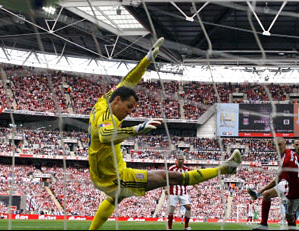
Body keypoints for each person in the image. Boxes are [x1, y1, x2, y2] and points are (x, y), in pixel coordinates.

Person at [87, 38, 242, 230]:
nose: (129, 112)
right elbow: (105, 135)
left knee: (114, 198)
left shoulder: (103, 102)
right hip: (115, 176)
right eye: (128, 107)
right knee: (173, 177)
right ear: (117, 100)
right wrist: (136, 129)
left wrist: (147, 60)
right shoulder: (106, 118)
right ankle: (226, 168)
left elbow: (128, 81)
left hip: (103, 174)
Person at [247, 137, 299, 230]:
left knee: (289, 217)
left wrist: (260, 190)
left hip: (296, 190)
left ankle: (257, 194)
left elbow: (276, 181)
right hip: (287, 183)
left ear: (285, 145)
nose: (278, 147)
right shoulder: (290, 152)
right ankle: (263, 225)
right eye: (276, 145)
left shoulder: (286, 161)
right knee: (266, 195)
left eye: (280, 145)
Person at [167, 155, 195, 230]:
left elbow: (191, 179)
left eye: (182, 159)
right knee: (171, 210)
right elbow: (167, 179)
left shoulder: (187, 169)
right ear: (176, 160)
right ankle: (169, 228)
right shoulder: (171, 168)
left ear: (184, 160)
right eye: (179, 159)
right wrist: (166, 188)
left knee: (188, 207)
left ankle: (186, 226)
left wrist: (197, 188)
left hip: (183, 192)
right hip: (173, 192)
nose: (181, 161)